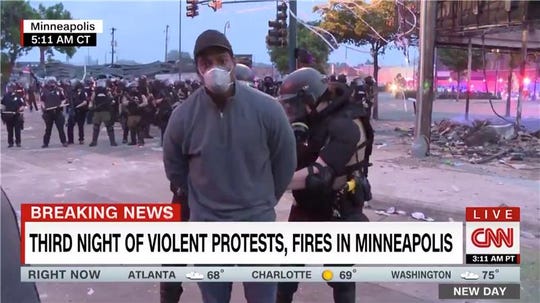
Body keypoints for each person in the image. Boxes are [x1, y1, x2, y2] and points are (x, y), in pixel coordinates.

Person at [162, 29, 296, 303]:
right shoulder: (183, 116)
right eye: (206, 63)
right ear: (198, 70)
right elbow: (175, 169)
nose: (215, 69)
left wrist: (262, 202)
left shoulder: (268, 110)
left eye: (221, 60)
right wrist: (202, 204)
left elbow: (285, 163)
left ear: (233, 62)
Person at [275, 68, 375, 303]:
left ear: (310, 98)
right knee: (287, 271)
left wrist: (271, 183)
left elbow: (320, 173)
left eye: (294, 105)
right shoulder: (315, 119)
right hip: (308, 203)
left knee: (341, 278)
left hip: (339, 207)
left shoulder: (347, 123)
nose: (291, 111)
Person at [39, 78, 68, 148]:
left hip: (58, 112)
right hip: (48, 113)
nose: (52, 84)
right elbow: (42, 101)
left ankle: (64, 141)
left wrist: (60, 104)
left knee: (60, 128)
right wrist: (43, 107)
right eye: (50, 82)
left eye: (53, 82)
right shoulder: (44, 90)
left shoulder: (59, 90)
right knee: (48, 129)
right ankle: (45, 143)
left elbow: (64, 99)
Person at [88, 80, 117, 146]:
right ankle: (112, 142)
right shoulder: (106, 90)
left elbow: (92, 99)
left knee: (96, 127)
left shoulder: (96, 91)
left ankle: (94, 142)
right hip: (105, 111)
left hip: (98, 111)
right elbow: (112, 100)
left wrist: (91, 106)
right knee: (109, 127)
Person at [1, 83, 26, 147]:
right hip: (8, 116)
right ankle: (10, 143)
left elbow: (23, 105)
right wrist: (2, 113)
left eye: (11, 88)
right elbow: (2, 106)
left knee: (17, 130)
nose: (10, 89)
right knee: (9, 131)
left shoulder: (18, 96)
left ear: (14, 88)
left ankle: (18, 142)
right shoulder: (5, 96)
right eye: (9, 88)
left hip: (16, 116)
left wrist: (20, 110)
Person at [67, 80, 88, 145]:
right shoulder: (71, 92)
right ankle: (70, 140)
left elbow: (85, 102)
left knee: (80, 126)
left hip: (80, 111)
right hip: (73, 111)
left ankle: (81, 139)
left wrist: (77, 106)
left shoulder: (82, 92)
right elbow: (69, 99)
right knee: (70, 126)